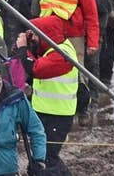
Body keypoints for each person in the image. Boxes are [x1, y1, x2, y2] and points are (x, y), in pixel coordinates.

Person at [13, 16, 77, 175]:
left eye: (35, 35)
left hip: (57, 115)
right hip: (46, 111)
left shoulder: (63, 53)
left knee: (47, 158)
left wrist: (23, 50)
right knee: (45, 156)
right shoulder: (49, 49)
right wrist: (24, 48)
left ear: (46, 35)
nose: (33, 39)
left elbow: (36, 69)